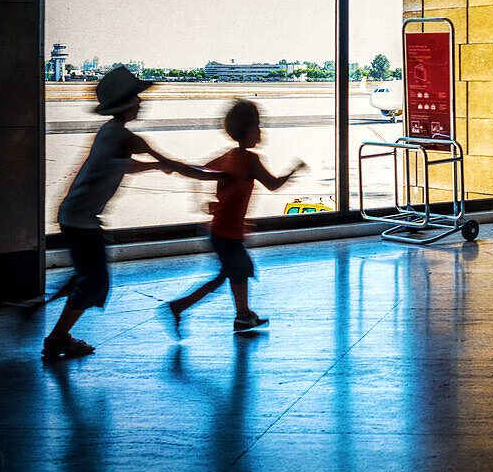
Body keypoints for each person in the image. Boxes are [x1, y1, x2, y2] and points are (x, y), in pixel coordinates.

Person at [42, 65, 223, 359]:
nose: (141, 103)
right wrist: (217, 177)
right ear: (126, 104)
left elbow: (123, 164)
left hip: (76, 217)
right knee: (94, 282)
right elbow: (175, 165)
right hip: (81, 220)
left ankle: (58, 332)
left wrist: (154, 166)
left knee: (89, 277)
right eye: (137, 99)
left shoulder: (111, 133)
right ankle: (57, 339)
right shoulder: (127, 138)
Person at [164, 99, 305, 338]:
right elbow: (272, 184)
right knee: (234, 272)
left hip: (222, 231)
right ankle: (183, 307)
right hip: (227, 233)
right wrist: (294, 170)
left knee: (232, 274)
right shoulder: (250, 160)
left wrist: (201, 198)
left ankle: (242, 315)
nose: (260, 131)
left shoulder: (228, 156)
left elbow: (201, 172)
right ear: (247, 129)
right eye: (257, 126)